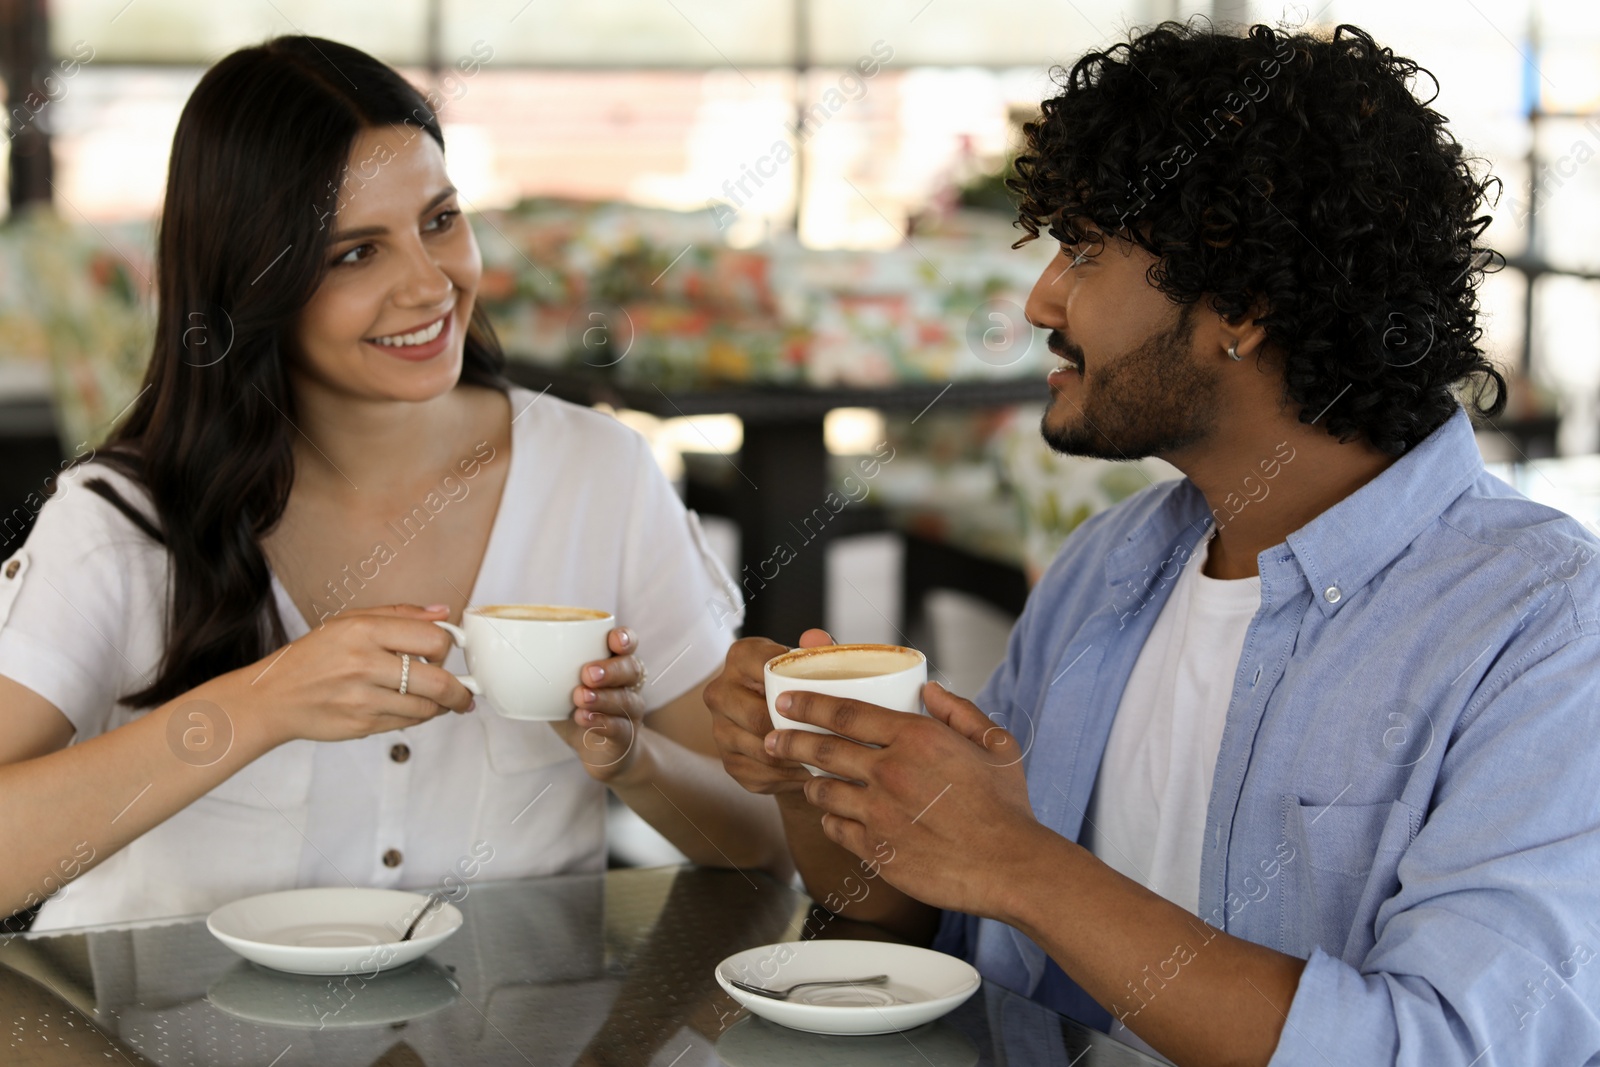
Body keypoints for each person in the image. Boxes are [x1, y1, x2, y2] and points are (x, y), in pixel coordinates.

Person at [706, 19, 1600, 1067]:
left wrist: (1024, 864)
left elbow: (1443, 1045)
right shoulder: (1113, 563)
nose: (1042, 297)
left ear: (1243, 306)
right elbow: (926, 925)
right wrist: (819, 771)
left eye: (1083, 253)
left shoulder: (1544, 629)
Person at [0, 35, 787, 930]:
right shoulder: (121, 520)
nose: (430, 283)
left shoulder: (597, 474)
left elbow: (761, 844)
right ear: (250, 285)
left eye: (440, 220)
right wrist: (261, 703)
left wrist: (632, 760)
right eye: (354, 254)